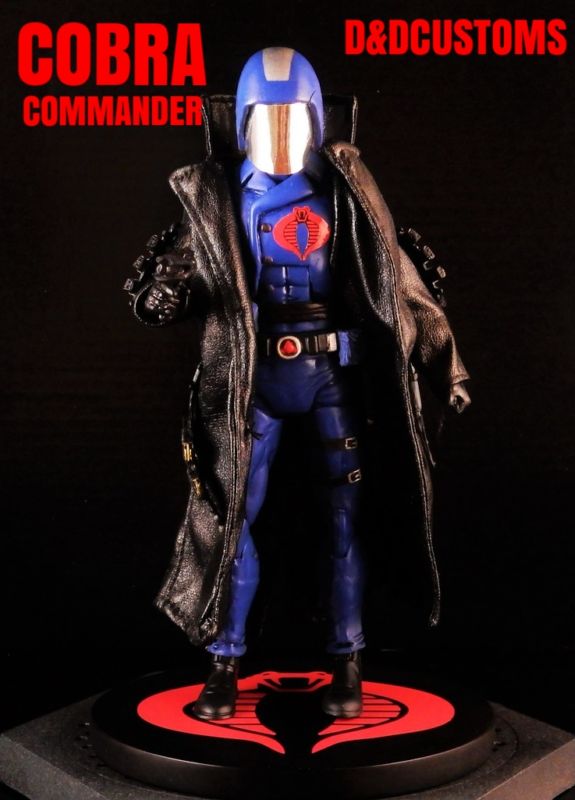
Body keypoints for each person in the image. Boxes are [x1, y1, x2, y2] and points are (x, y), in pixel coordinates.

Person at [128, 47, 470, 721]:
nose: (279, 135)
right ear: (242, 123)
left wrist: (446, 365)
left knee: (345, 521)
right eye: (266, 120)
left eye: (293, 119)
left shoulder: (349, 197)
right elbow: (167, 288)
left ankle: (348, 658)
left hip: (331, 381)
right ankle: (224, 660)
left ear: (316, 121)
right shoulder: (216, 201)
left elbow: (404, 288)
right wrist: (163, 294)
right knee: (234, 520)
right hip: (250, 382)